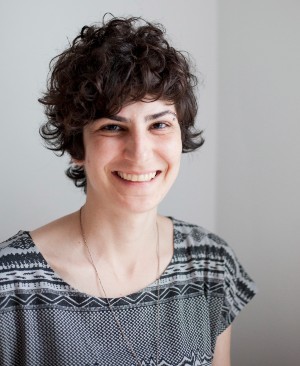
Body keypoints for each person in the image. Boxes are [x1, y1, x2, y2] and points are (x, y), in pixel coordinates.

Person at [0, 15, 256, 366]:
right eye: (112, 127)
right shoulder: (9, 283)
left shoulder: (211, 264)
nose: (140, 152)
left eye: (160, 124)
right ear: (78, 148)